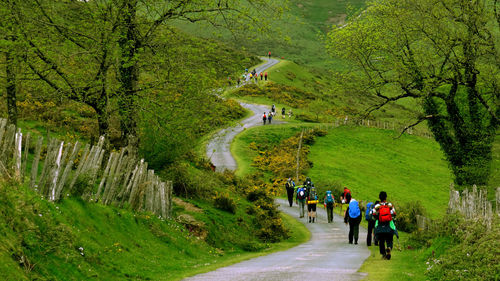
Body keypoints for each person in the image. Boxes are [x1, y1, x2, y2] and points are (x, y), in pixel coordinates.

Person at [372, 191, 397, 260]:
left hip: (380, 225)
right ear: (386, 197)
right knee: (389, 239)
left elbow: (373, 214)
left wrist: (377, 218)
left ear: (379, 198)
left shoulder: (377, 206)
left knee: (381, 240)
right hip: (388, 225)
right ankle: (389, 247)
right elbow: (394, 213)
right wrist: (392, 220)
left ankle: (383, 254)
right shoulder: (389, 205)